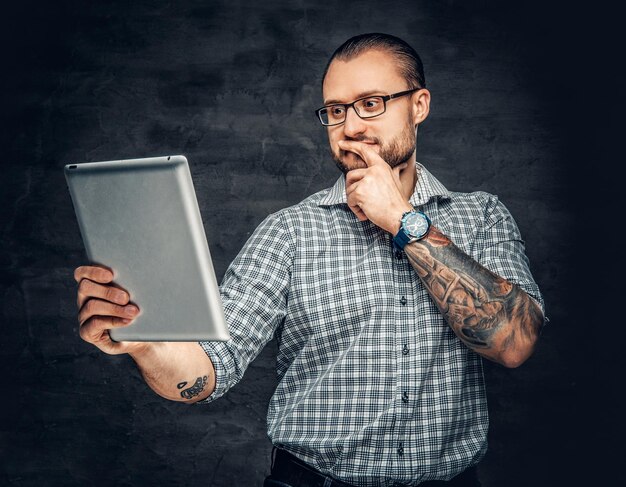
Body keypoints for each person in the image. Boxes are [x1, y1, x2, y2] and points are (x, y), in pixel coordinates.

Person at [73, 33, 545, 487]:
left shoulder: (482, 216)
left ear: (418, 105)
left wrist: (402, 220)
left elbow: (514, 343)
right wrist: (144, 343)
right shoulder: (290, 232)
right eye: (336, 111)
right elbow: (210, 368)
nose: (352, 126)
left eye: (371, 103)